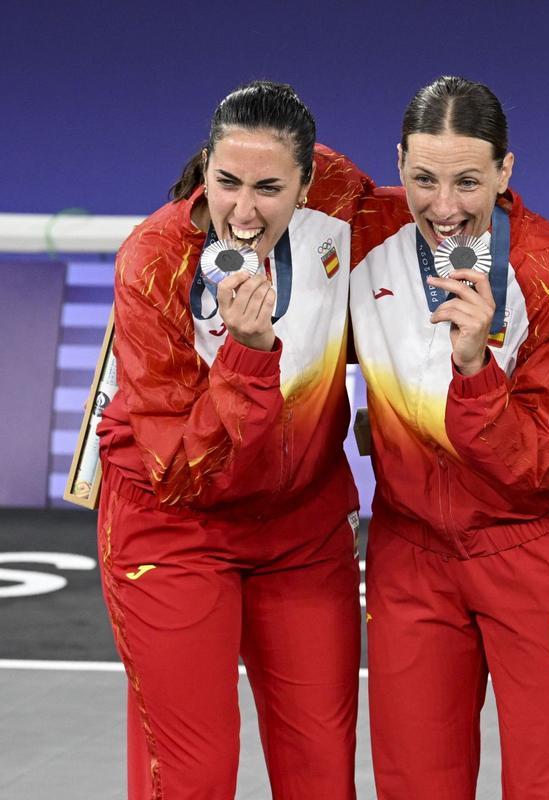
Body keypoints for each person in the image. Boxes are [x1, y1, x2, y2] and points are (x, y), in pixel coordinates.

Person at [96, 80, 372, 799]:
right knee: (193, 775)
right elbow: (183, 470)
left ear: (308, 182)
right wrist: (249, 356)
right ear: (206, 170)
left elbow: (441, 215)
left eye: (269, 188)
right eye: (228, 183)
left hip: (302, 531)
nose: (244, 212)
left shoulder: (340, 200)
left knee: (321, 773)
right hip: (174, 525)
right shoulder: (153, 260)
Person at [349, 75, 549, 800]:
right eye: (423, 178)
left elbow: (531, 464)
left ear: (505, 171)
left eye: (468, 181)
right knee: (414, 782)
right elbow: (270, 169)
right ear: (398, 161)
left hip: (530, 548)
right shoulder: (363, 238)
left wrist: (474, 370)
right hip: (411, 555)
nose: (444, 207)